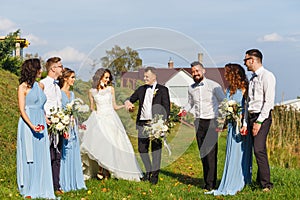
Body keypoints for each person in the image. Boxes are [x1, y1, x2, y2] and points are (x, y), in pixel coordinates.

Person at [80, 68, 143, 181]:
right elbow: (92, 107)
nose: (108, 80)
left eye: (109, 78)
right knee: (101, 143)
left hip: (111, 119)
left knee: (113, 143)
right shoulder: (92, 91)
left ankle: (108, 170)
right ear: (99, 78)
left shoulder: (110, 89)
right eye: (106, 77)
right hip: (99, 118)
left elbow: (114, 106)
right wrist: (88, 112)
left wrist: (125, 106)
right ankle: (101, 168)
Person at [178, 61, 225, 191]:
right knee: (203, 153)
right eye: (193, 71)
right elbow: (190, 103)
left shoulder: (214, 85)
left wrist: (222, 118)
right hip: (198, 122)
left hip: (211, 121)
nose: (195, 73)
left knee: (210, 153)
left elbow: (224, 102)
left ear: (203, 71)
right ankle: (206, 182)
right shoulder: (191, 88)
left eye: (197, 71)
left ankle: (211, 184)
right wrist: (183, 110)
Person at [16, 58, 56, 199]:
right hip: (28, 124)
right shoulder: (23, 87)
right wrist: (32, 125)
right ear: (33, 70)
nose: (41, 71)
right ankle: (28, 187)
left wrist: (46, 120)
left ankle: (42, 186)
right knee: (30, 155)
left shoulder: (40, 86)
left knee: (42, 156)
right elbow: (22, 110)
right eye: (39, 68)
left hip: (41, 123)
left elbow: (41, 107)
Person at [125, 66, 171, 185]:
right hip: (142, 124)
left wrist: (163, 123)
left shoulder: (163, 90)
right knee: (142, 150)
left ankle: (154, 176)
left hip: (156, 124)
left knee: (156, 151)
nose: (145, 78)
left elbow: (166, 108)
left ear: (154, 76)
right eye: (144, 76)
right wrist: (128, 104)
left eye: (147, 76)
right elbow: (130, 99)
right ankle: (148, 170)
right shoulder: (141, 89)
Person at [212, 63, 252, 196]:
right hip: (231, 125)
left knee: (241, 154)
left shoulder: (245, 88)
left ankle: (242, 180)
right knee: (231, 153)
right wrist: (222, 122)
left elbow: (246, 107)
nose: (225, 75)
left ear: (234, 73)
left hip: (241, 126)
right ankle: (229, 180)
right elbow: (225, 106)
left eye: (227, 72)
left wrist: (241, 120)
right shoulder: (229, 89)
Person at [241, 49, 275, 192]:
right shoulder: (252, 79)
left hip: (262, 116)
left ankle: (266, 184)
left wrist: (259, 122)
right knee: (254, 149)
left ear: (253, 60)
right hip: (250, 116)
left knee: (259, 149)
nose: (245, 63)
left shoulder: (267, 76)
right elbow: (247, 102)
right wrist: (245, 123)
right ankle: (257, 180)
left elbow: (269, 102)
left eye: (246, 60)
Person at [58, 68, 87, 192]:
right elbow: (59, 111)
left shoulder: (73, 94)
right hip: (64, 125)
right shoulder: (59, 93)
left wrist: (78, 123)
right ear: (65, 78)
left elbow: (73, 111)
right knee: (66, 152)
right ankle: (65, 181)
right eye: (72, 77)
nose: (74, 80)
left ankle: (75, 181)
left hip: (73, 125)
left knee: (74, 151)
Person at [40, 56, 64, 194]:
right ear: (53, 68)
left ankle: (57, 185)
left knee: (57, 155)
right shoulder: (42, 84)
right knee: (48, 154)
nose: (62, 68)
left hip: (59, 124)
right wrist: (45, 118)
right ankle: (46, 183)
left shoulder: (57, 86)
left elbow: (58, 104)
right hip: (48, 123)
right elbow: (39, 103)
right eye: (60, 66)